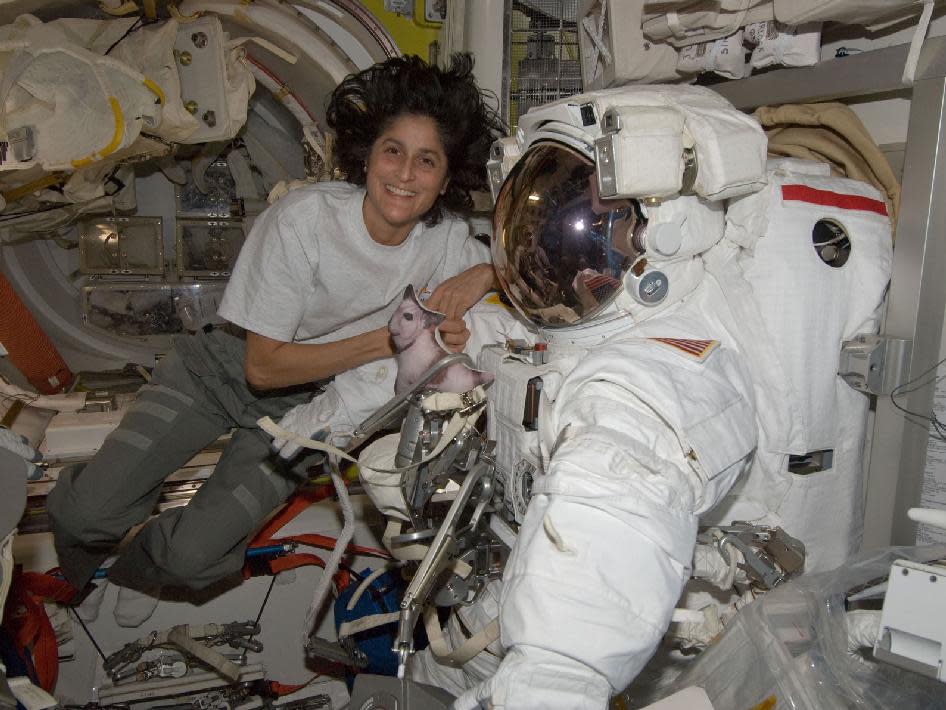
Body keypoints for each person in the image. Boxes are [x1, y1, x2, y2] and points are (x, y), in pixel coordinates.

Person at [46, 53, 505, 624]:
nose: (405, 174)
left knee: (193, 560)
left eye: (426, 160)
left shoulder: (447, 240)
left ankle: (132, 573)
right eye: (394, 151)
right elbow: (262, 369)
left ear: (445, 179)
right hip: (219, 372)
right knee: (89, 513)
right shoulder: (303, 221)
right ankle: (78, 562)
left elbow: (522, 265)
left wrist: (483, 273)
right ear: (367, 156)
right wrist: (393, 341)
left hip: (306, 411)